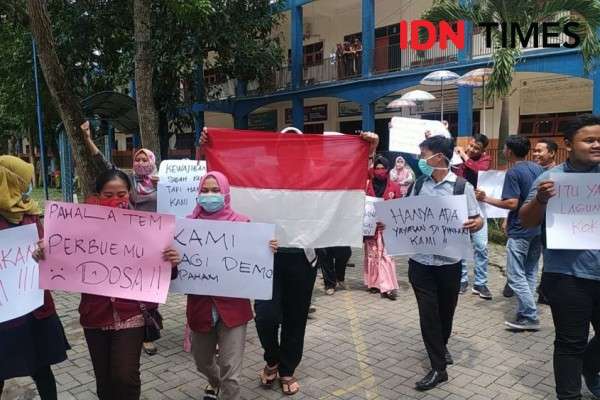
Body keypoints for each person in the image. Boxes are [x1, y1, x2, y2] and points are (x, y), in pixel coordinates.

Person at [200, 127, 380, 396]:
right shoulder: (263, 172)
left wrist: (370, 149)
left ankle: (286, 369)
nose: (290, 151)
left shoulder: (317, 173)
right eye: (285, 147)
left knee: (296, 317)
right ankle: (271, 358)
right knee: (266, 317)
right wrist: (206, 148)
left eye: (296, 146)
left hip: (302, 259)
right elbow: (222, 179)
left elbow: (351, 177)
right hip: (264, 257)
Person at [33, 168, 181, 400]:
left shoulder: (149, 229)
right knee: (104, 380)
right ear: (98, 195)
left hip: (131, 313)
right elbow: (60, 266)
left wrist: (171, 262)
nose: (115, 200)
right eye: (108, 195)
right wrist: (44, 254)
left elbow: (166, 276)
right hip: (94, 315)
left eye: (121, 194)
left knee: (125, 376)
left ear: (130, 195)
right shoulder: (78, 229)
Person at [520, 114, 600, 400]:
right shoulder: (550, 179)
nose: (597, 145)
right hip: (568, 277)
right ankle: (569, 396)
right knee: (570, 343)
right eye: (589, 140)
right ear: (568, 144)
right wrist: (541, 200)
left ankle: (590, 367)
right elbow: (526, 221)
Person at [186, 171, 277, 400]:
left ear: (225, 193)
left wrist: (267, 250)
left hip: (234, 310)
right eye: (205, 190)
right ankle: (215, 382)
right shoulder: (187, 226)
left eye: (215, 190)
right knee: (202, 362)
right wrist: (171, 257)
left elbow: (254, 263)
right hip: (200, 308)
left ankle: (228, 392)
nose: (210, 195)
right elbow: (179, 270)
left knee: (232, 373)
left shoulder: (243, 223)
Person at [402, 136, 483, 391]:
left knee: (445, 313)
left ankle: (441, 345)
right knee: (428, 315)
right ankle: (438, 367)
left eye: (423, 154)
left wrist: (475, 224)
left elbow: (477, 219)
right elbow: (404, 216)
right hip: (420, 263)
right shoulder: (416, 186)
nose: (420, 160)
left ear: (438, 157)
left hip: (449, 263)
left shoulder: (461, 187)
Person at [82, 122, 161, 355]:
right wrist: (87, 139)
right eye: (137, 159)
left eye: (145, 159)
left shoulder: (164, 183)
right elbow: (105, 165)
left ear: (153, 161)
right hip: (126, 240)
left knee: (149, 289)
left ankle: (147, 325)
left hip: (152, 242)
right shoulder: (128, 183)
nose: (140, 163)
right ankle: (143, 331)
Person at [0, 156, 70, 400]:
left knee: (41, 369)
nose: (28, 183)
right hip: (4, 314)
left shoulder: (29, 211)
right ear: (10, 180)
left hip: (34, 309)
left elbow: (51, 259)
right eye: (24, 178)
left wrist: (45, 251)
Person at [476, 135, 544, 331]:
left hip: (521, 230)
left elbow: (512, 203)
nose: (503, 151)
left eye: (504, 148)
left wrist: (485, 198)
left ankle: (530, 315)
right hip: (536, 228)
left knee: (515, 275)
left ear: (510, 151)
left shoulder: (513, 173)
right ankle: (524, 313)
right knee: (530, 271)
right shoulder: (537, 168)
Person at [454, 133, 493, 299]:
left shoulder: (485, 160)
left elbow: (479, 170)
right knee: (461, 246)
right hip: (460, 205)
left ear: (483, 151)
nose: (472, 149)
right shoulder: (456, 157)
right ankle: (462, 280)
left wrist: (464, 156)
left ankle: (480, 283)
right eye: (471, 145)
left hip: (479, 207)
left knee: (481, 246)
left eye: (477, 148)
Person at [364, 155, 401, 301]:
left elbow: (399, 208)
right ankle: (373, 283)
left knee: (387, 257)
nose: (379, 171)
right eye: (377, 168)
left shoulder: (395, 187)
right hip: (370, 228)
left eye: (382, 168)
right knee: (372, 256)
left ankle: (389, 287)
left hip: (387, 228)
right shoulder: (367, 185)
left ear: (387, 169)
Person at [532, 138, 558, 305]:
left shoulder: (559, 176)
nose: (535, 154)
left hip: (553, 227)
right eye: (534, 150)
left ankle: (545, 291)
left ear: (552, 153)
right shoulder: (535, 172)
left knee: (549, 260)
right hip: (534, 224)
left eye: (539, 151)